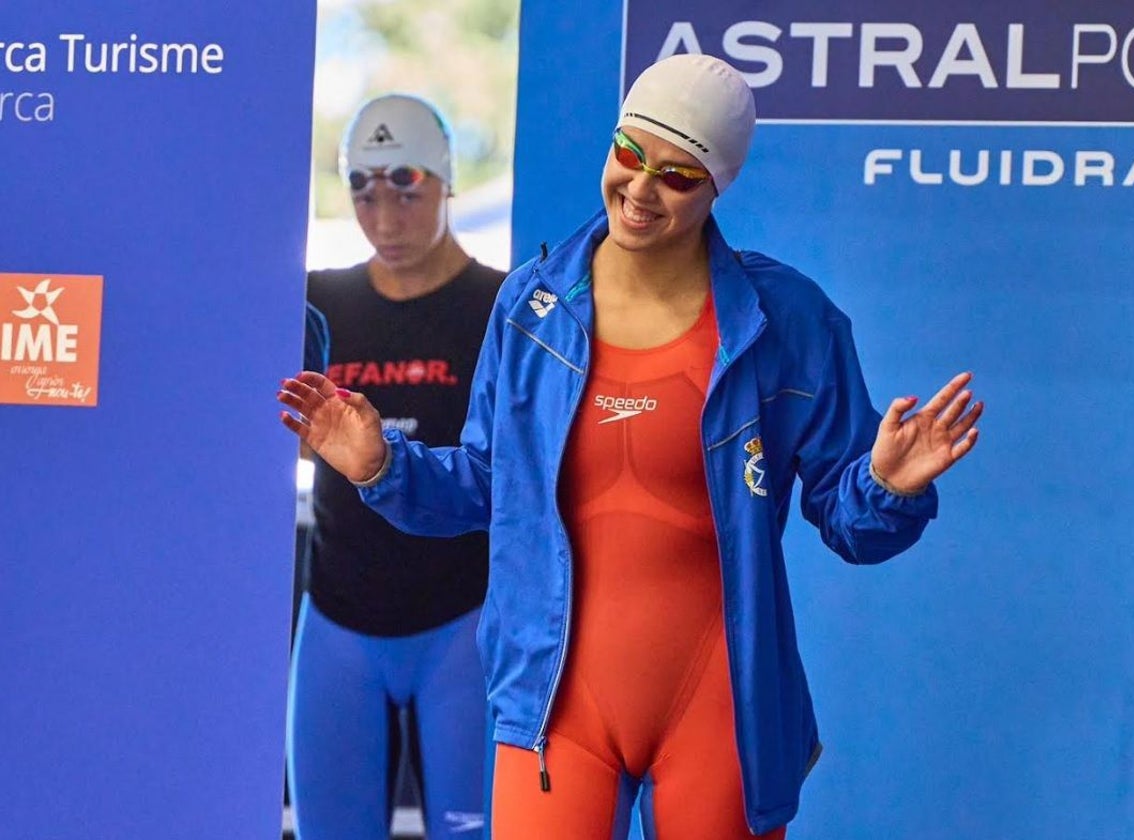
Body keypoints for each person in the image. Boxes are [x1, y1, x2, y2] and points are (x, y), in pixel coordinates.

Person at [279, 55, 983, 839]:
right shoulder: (533, 307)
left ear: (718, 185)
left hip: (720, 709)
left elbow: (850, 521)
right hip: (557, 705)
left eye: (678, 175)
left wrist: (888, 484)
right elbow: (485, 485)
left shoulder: (786, 321)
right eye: (629, 155)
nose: (641, 190)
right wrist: (381, 467)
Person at [287, 93, 503, 840]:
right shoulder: (315, 304)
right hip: (339, 623)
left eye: (406, 185)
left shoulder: (501, 304)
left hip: (465, 626)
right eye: (363, 190)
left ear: (445, 182)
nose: (385, 216)